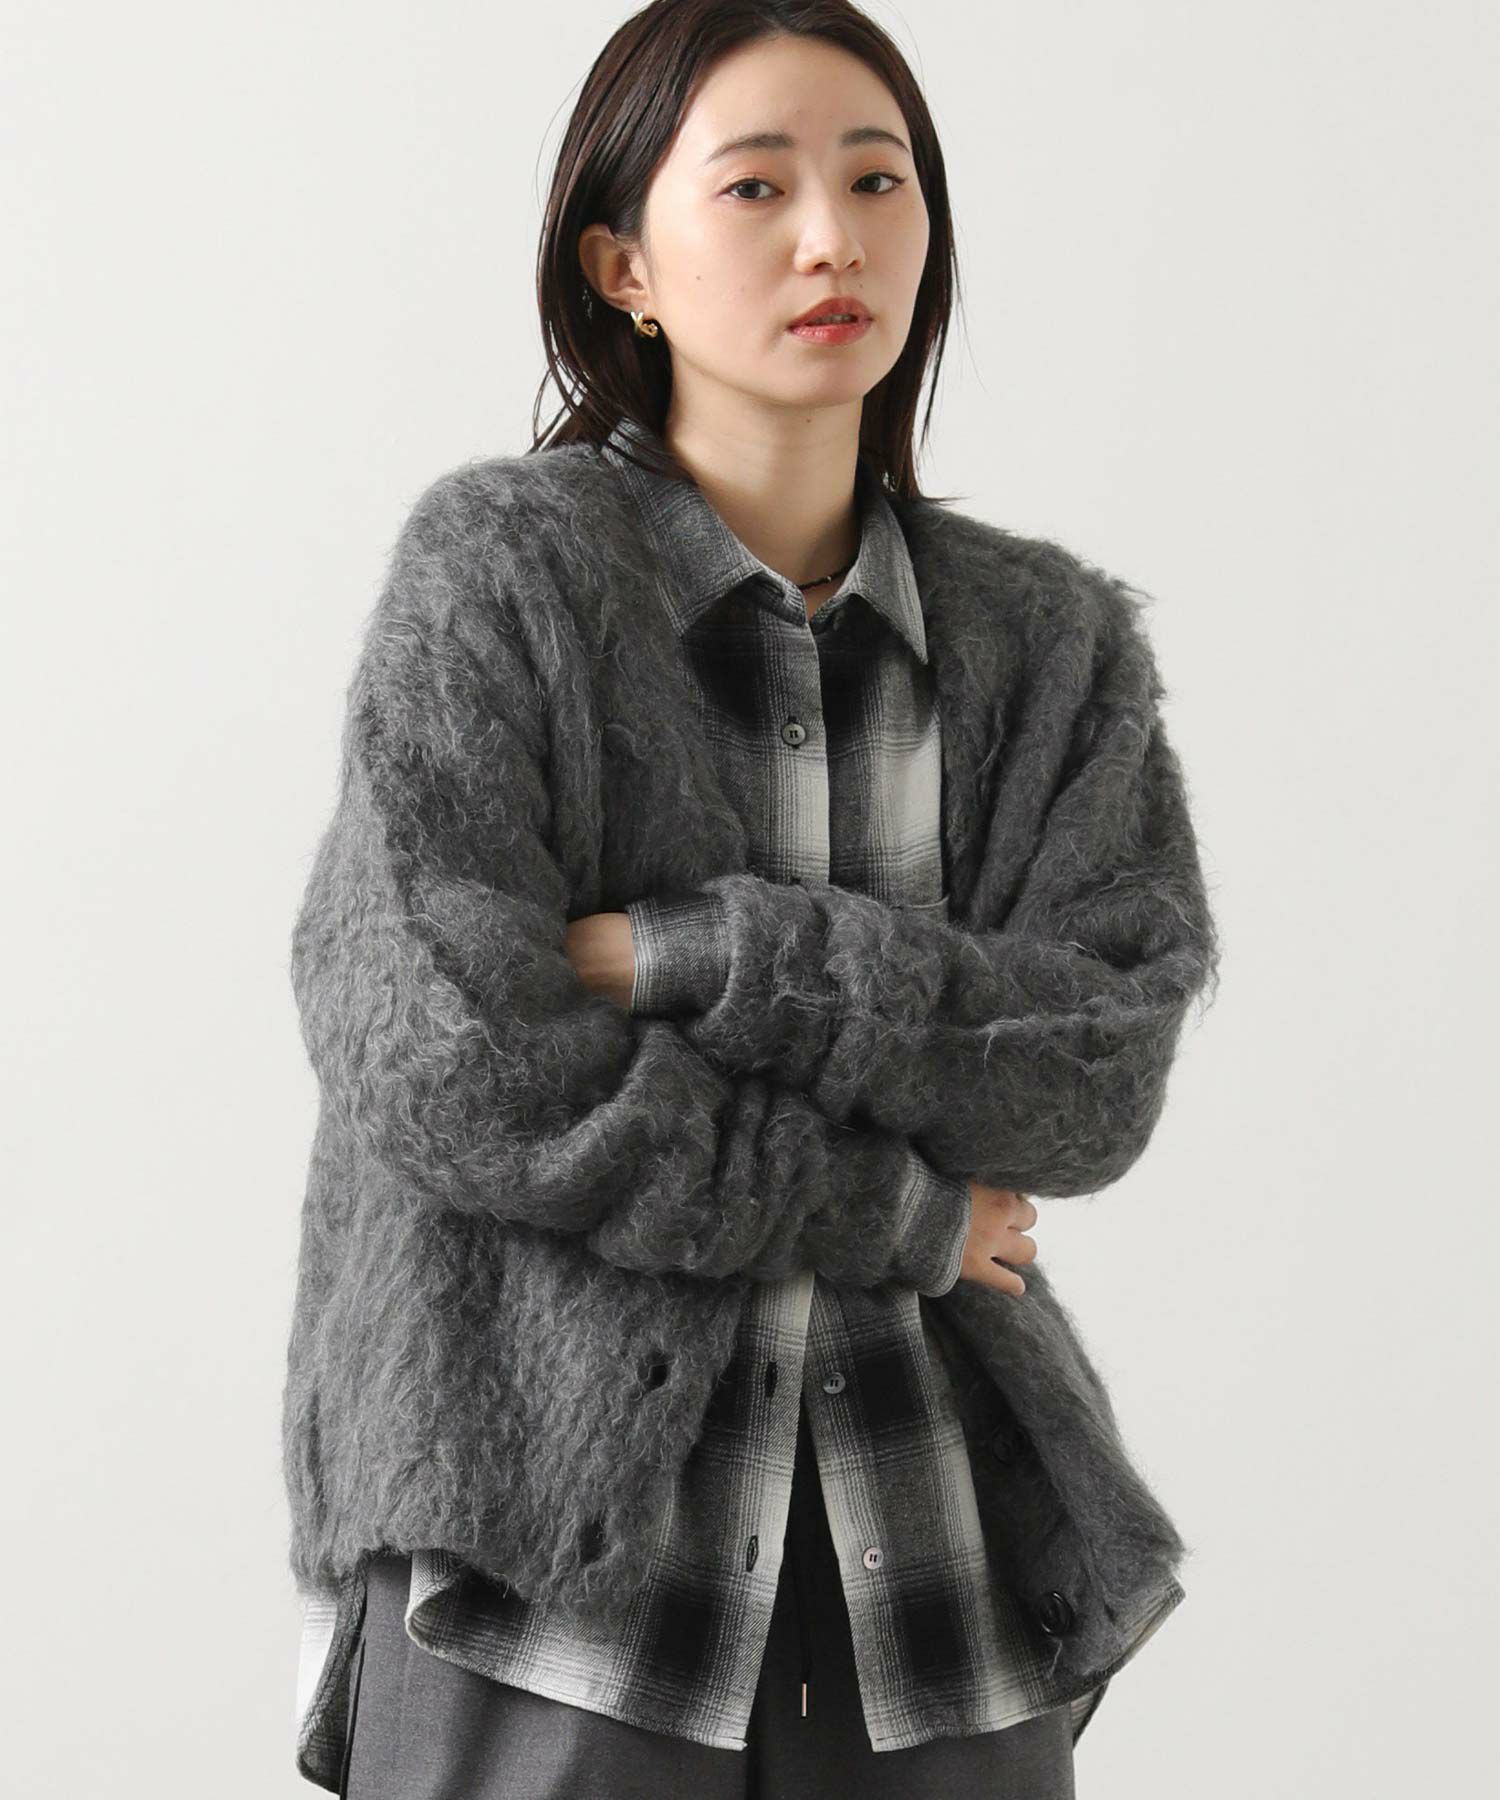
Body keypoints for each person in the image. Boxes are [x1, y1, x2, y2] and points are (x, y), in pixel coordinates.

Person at [284, 3, 1221, 1795]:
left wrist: (700, 955)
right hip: (547, 1592)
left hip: (936, 1595)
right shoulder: (501, 581)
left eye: (878, 181)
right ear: (622, 266)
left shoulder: (1047, 646)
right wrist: (895, 1210)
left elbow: (1091, 1076)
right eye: (756, 185)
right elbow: (452, 1057)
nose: (831, 238)